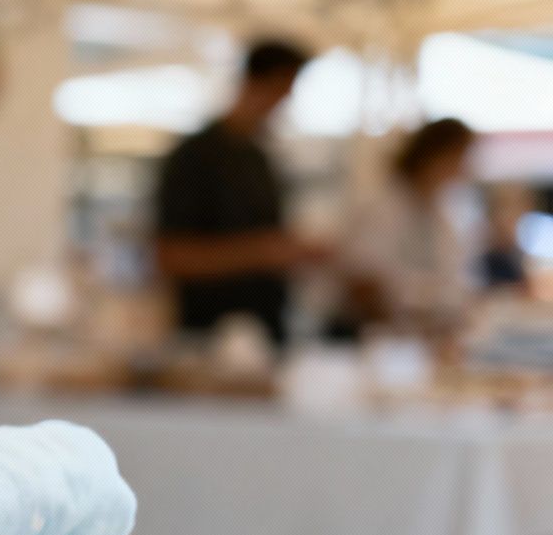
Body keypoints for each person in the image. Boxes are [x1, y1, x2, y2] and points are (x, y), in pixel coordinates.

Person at [152, 39, 332, 343]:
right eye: (284, 89)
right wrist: (264, 252)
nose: (286, 101)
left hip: (266, 332)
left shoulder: (259, 157)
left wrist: (291, 251)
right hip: (209, 336)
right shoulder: (194, 156)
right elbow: (171, 255)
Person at [338, 118, 479, 330]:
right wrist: (403, 329)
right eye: (460, 157)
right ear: (435, 155)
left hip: (424, 333)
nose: (465, 168)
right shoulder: (382, 205)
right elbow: (361, 283)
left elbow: (452, 279)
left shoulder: (443, 209)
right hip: (380, 336)